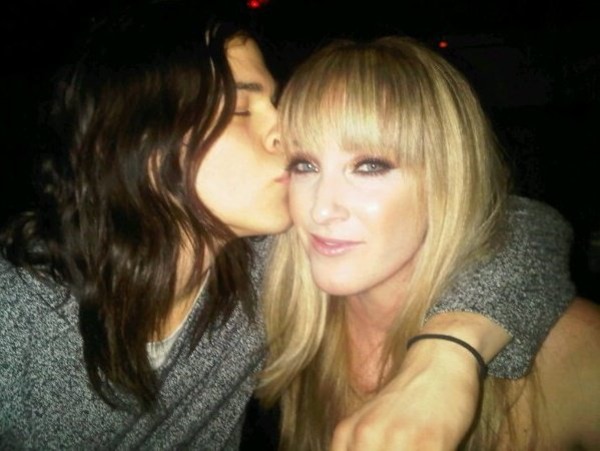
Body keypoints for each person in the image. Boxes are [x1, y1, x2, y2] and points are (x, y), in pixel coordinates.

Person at [0, 1, 575, 449]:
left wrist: (446, 358)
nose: (285, 131)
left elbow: (517, 226)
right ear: (135, 142)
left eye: (276, 104)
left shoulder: (265, 271)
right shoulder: (19, 314)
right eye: (243, 109)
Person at [257, 35, 600, 450]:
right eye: (304, 165)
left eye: (369, 166)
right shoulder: (267, 322)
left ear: (447, 182)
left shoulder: (577, 348)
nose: (320, 210)